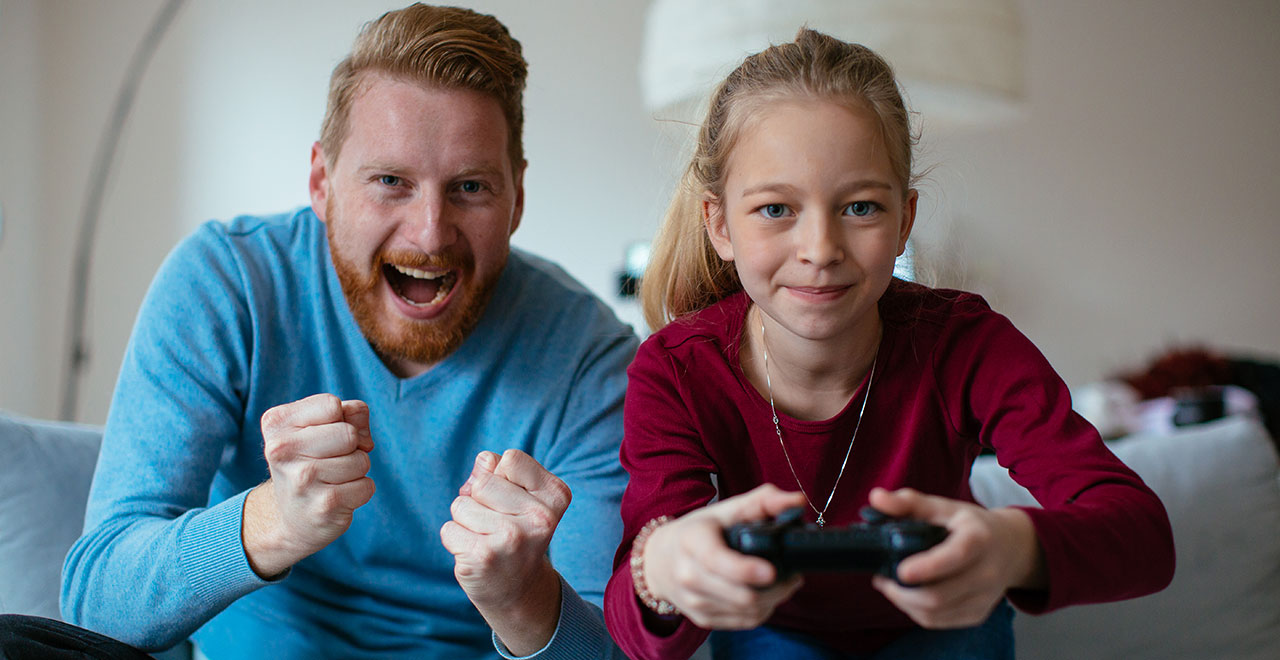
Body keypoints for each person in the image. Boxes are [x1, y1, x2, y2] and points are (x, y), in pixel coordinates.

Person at [11, 4, 637, 659]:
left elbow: (619, 653)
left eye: (471, 187)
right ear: (321, 182)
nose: (429, 232)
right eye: (391, 182)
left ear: (517, 200)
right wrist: (272, 520)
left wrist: (524, 600)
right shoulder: (227, 283)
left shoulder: (591, 360)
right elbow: (98, 601)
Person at [603, 29, 1175, 660]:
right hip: (775, 637)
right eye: (774, 210)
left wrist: (1011, 547)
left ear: (904, 220)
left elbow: (1144, 536)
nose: (819, 249)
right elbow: (639, 638)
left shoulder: (967, 346)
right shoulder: (675, 372)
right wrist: (664, 570)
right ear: (719, 225)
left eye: (860, 208)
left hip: (947, 633)